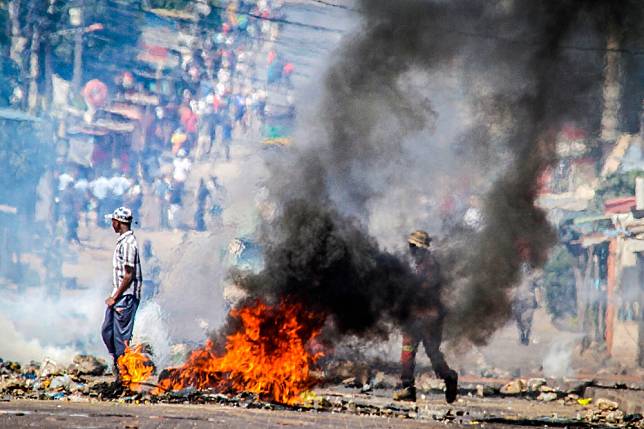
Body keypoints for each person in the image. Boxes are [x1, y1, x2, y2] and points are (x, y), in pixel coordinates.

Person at [393, 230, 458, 403]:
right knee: (407, 351)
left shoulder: (430, 265)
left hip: (429, 316)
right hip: (414, 315)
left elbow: (426, 288)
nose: (411, 249)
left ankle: (449, 377)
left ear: (421, 247)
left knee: (433, 353)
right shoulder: (416, 263)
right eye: (410, 246)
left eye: (413, 246)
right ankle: (407, 388)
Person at [101, 207, 143, 384]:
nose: (112, 223)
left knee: (121, 339)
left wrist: (115, 297)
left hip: (125, 298)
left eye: (113, 221)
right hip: (119, 296)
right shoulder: (123, 242)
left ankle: (125, 376)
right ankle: (119, 367)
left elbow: (129, 275)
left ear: (118, 222)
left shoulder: (128, 245)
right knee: (107, 331)